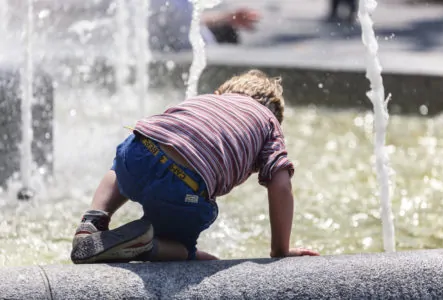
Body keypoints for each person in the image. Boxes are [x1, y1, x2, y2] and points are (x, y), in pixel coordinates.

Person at [70, 69, 320, 263]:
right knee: (181, 248)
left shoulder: (205, 100)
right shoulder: (268, 122)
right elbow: (281, 185)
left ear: (222, 92)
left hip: (140, 151)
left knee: (121, 164)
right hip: (184, 185)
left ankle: (94, 219)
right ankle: (150, 245)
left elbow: (164, 131)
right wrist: (280, 249)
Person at [148, 0, 260, 51]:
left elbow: (189, 20)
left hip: (204, 40)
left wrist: (228, 17)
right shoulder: (177, 4)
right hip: (203, 47)